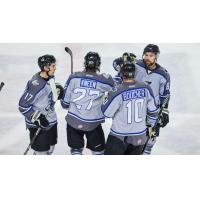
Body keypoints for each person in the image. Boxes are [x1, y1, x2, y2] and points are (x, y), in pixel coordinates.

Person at [112, 44, 170, 154]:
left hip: (151, 111)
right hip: (134, 108)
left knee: (149, 142)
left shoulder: (163, 74)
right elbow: (115, 65)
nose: (147, 58)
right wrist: (122, 61)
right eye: (146, 55)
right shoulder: (136, 64)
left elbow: (165, 95)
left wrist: (164, 111)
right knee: (128, 140)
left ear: (156, 57)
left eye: (151, 55)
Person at [61, 52, 115, 155]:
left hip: (73, 122)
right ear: (98, 64)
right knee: (99, 152)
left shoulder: (74, 77)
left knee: (76, 151)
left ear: (85, 63)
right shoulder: (104, 80)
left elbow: (64, 104)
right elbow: (117, 88)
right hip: (93, 124)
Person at [102, 61, 158, 155]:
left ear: (122, 74)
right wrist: (151, 126)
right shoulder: (146, 87)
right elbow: (153, 111)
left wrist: (105, 99)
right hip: (139, 136)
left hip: (119, 137)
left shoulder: (117, 91)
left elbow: (107, 113)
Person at [18, 55, 63, 155]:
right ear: (46, 67)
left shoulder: (50, 77)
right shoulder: (36, 85)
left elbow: (47, 95)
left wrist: (56, 93)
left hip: (51, 120)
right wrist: (37, 118)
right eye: (53, 66)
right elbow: (22, 106)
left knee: (50, 149)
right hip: (38, 125)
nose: (55, 68)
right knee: (41, 153)